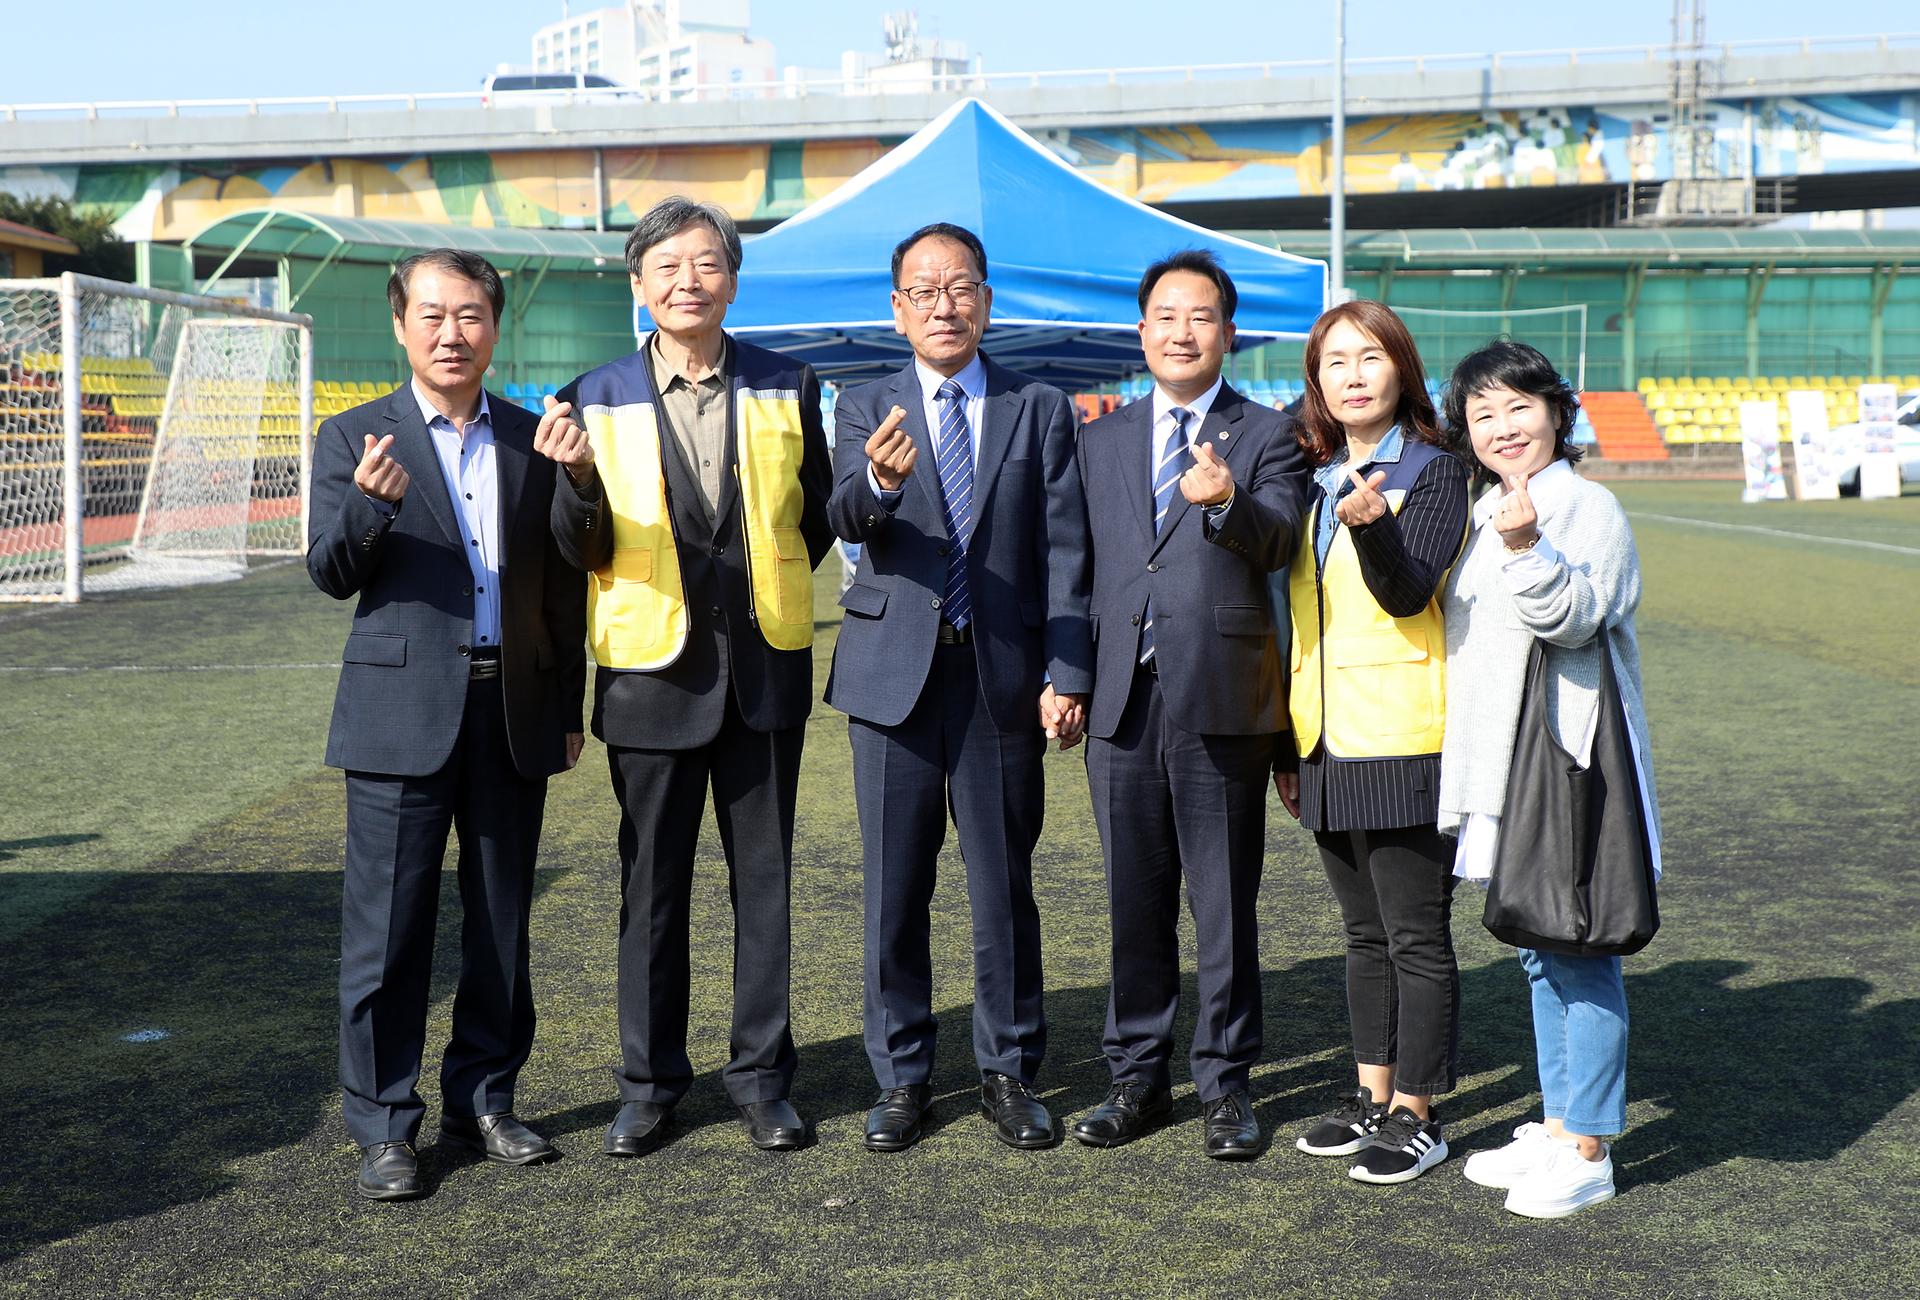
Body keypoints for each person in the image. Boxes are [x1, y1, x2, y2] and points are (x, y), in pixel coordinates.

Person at [543, 196, 834, 1156]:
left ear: (732, 279)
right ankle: (649, 1084)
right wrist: (579, 484)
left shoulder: (790, 385)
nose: (686, 282)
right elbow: (574, 547)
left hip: (761, 676)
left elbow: (815, 521)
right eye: (665, 268)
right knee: (652, 891)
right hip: (648, 677)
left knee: (766, 887)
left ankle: (761, 1079)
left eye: (705, 264)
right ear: (638, 286)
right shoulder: (590, 396)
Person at [307, 248, 587, 1200]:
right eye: (431, 314)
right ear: (400, 324)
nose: (451, 332)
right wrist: (370, 512)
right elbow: (332, 571)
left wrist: (566, 708)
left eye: (469, 315)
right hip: (397, 714)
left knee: (502, 921)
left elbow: (564, 580)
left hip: (509, 707)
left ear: (494, 326)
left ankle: (487, 1100)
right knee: (388, 932)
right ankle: (386, 1125)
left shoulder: (529, 437)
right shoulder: (353, 438)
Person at [825, 222, 1093, 1153]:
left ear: (987, 298)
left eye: (962, 287)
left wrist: (1069, 671)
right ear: (897, 310)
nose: (946, 305)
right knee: (895, 886)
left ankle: (1009, 1071)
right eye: (925, 291)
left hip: (1003, 681)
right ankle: (902, 1077)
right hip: (893, 677)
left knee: (1002, 884)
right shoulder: (866, 404)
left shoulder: (1039, 406)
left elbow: (1067, 549)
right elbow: (845, 515)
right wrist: (877, 482)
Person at [1069, 249, 1308, 1159]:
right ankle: (1137, 1078)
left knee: (1224, 904)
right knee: (1135, 900)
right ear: (1142, 331)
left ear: (1229, 333)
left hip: (1223, 698)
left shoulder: (1269, 433)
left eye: (1201, 316)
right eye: (1166, 315)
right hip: (1122, 702)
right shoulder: (1098, 438)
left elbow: (1280, 539)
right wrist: (1072, 680)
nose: (1182, 331)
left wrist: (1227, 503)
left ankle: (1227, 1085)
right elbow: (1076, 570)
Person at [1437, 339, 1662, 1218]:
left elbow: (1574, 620)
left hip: (1569, 762)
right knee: (1539, 949)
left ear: (1558, 414)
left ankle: (1591, 1147)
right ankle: (1560, 1118)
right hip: (1505, 764)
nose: (1502, 427)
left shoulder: (1587, 506)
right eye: (1482, 414)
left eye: (1518, 407)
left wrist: (1528, 547)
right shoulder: (1489, 505)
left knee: (1583, 949)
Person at [1277, 300, 1470, 1184]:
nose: (1352, 376)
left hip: (1404, 734)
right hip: (1322, 737)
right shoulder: (1310, 471)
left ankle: (1420, 1112)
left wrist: (1372, 523)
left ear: (1401, 368)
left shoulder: (1434, 471)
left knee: (1415, 934)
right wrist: (1287, 742)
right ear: (1316, 382)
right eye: (1334, 363)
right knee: (1362, 935)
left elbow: (1405, 595)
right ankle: (1372, 1096)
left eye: (1369, 358)